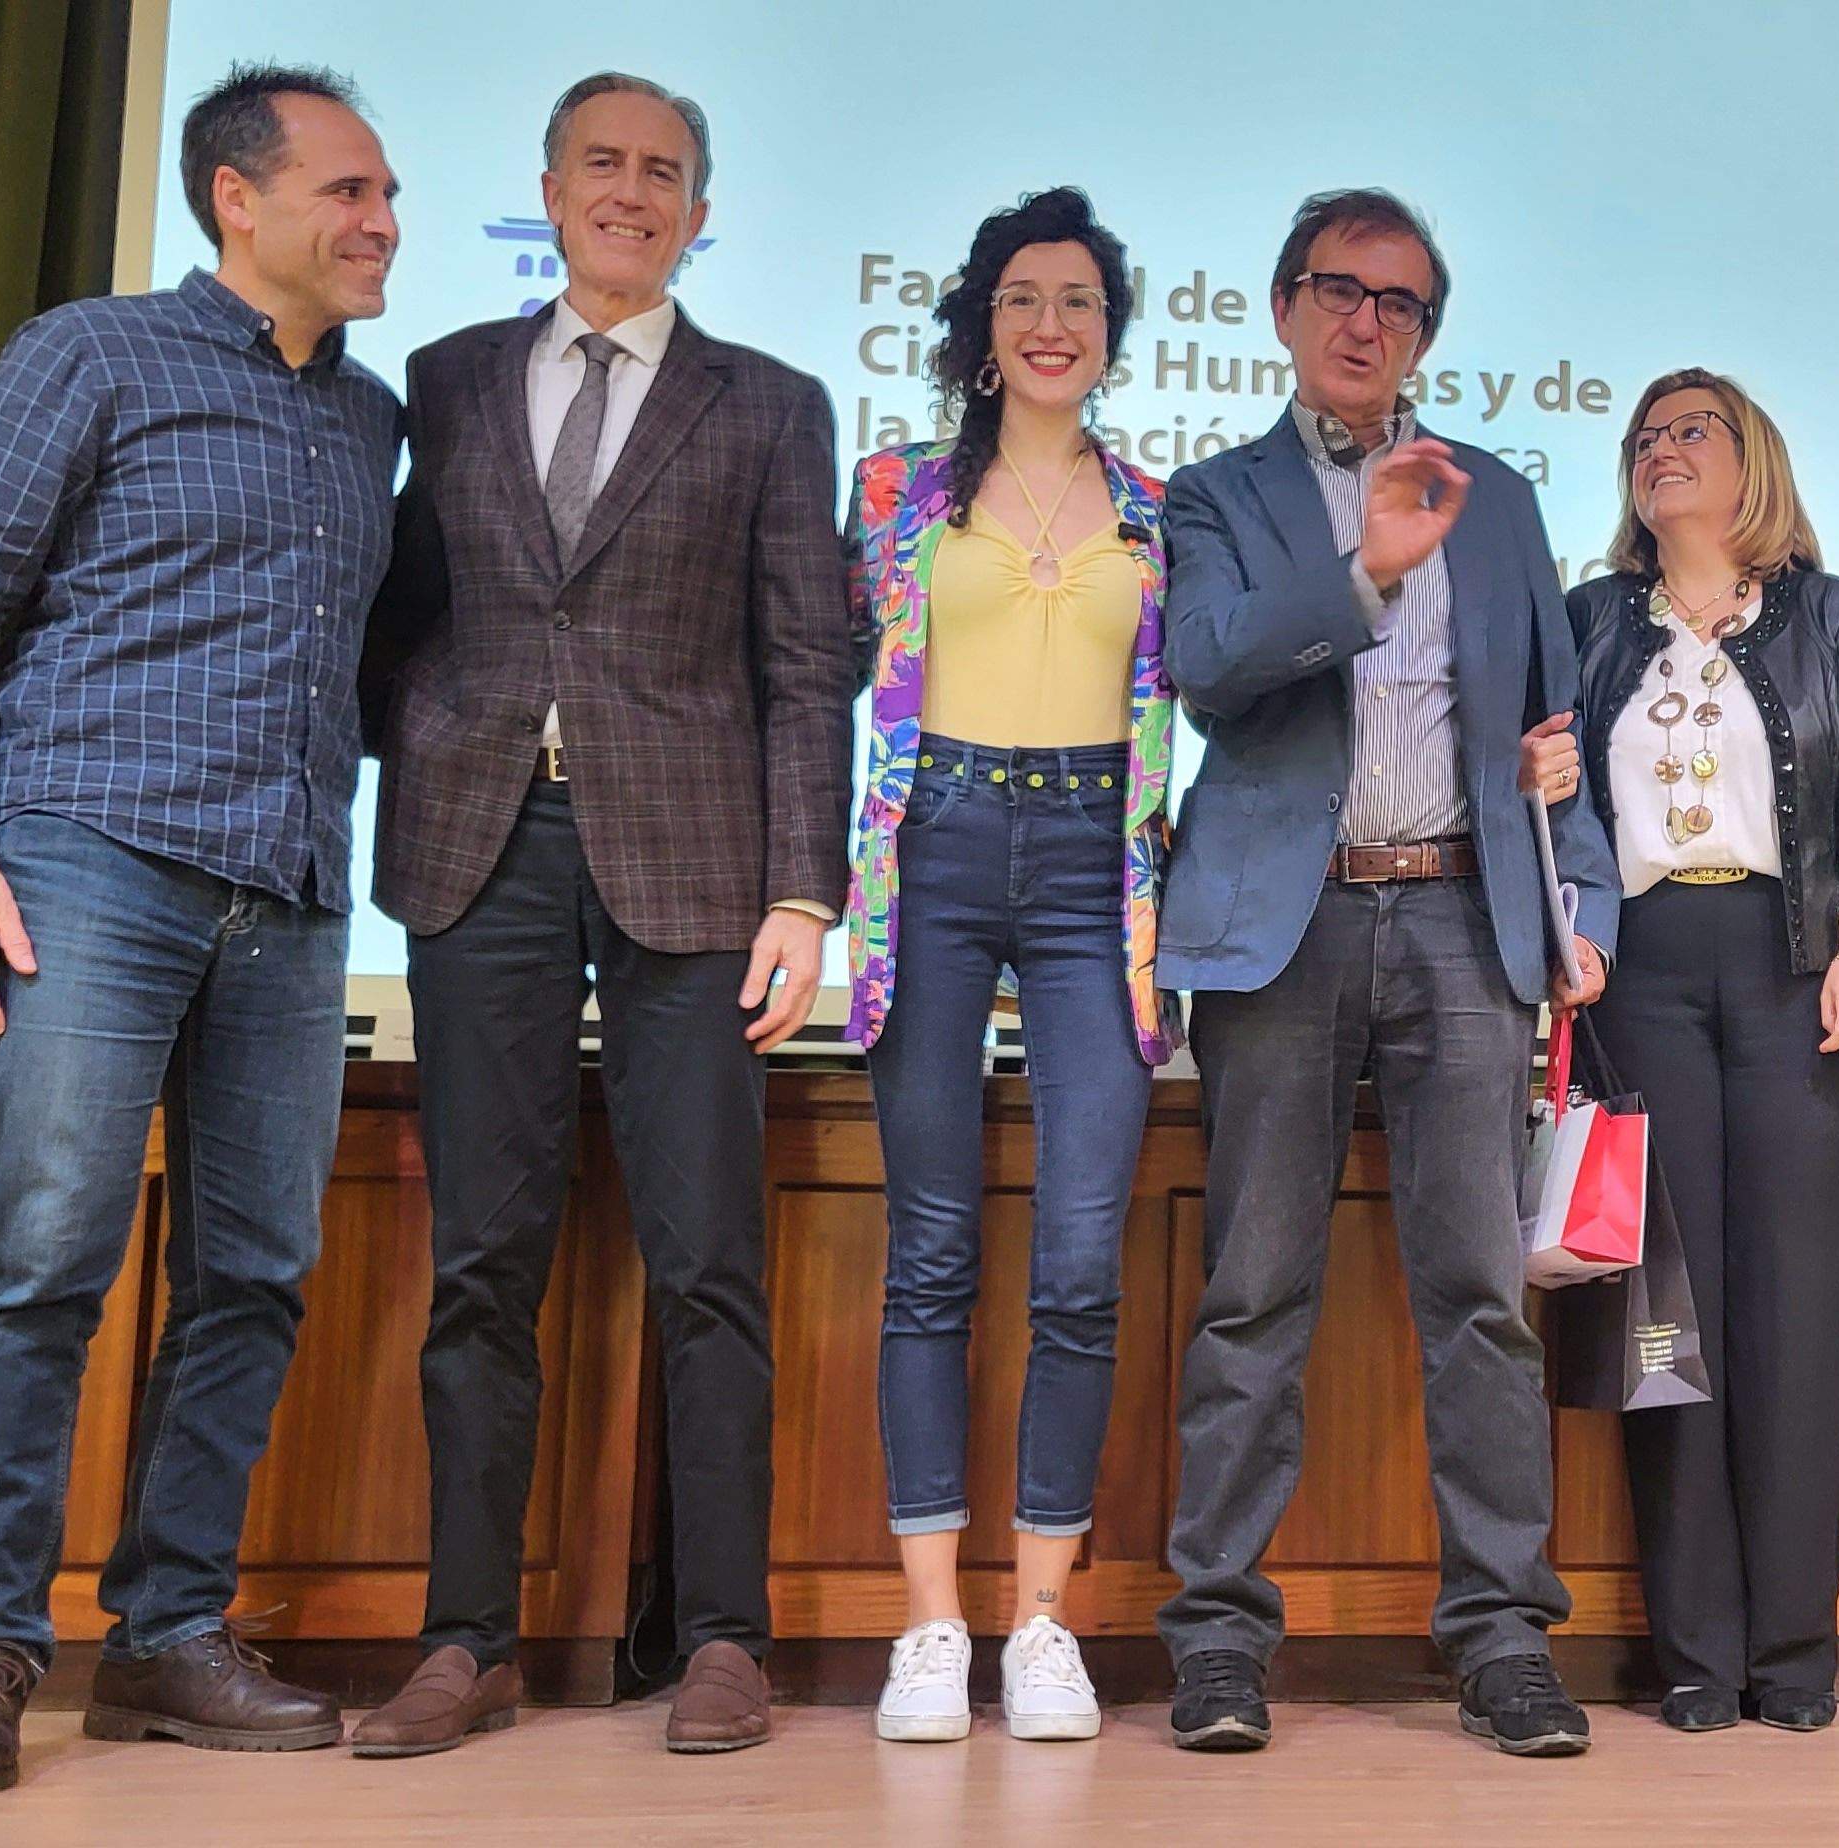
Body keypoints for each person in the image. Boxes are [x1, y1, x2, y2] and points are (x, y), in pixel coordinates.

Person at [0, 64, 403, 1796]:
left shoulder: (373, 420)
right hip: (89, 862)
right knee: (44, 1260)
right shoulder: (91, 356)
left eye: (390, 195)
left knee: (254, 1275)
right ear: (237, 197)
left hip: (291, 893)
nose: (383, 223)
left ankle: (166, 1639)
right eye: (351, 191)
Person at [347, 72, 849, 1760]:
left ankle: (722, 1639)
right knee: (481, 1266)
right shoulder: (446, 379)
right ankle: (464, 1642)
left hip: (698, 865)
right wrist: (429, 738)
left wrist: (804, 889)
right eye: (604, 164)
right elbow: (401, 616)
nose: (632, 192)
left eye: (665, 172)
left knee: (710, 1263)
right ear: (552, 190)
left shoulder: (771, 404)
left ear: (700, 214)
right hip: (479, 852)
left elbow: (807, 663)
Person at [1152, 187, 1617, 1759]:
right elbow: (1209, 670)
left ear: (1428, 333)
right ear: (1284, 307)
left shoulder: (1501, 498)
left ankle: (1502, 1639)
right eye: (1338, 291)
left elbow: (1555, 733)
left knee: (1480, 1299)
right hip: (1284, 932)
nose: (1366, 322)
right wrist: (1363, 568)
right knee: (1252, 1294)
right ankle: (1220, 1641)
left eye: (1399, 302)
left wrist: (1582, 905)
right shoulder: (1214, 495)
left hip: (1465, 924)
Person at [835, 186, 1168, 1746]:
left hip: (1101, 869)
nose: (1052, 324)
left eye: (1080, 302)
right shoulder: (896, 491)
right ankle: (927, 1625)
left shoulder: (1160, 511)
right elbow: (811, 675)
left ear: (1111, 334)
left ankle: (1041, 1620)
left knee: (1084, 1258)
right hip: (938, 854)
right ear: (981, 325)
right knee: (931, 1251)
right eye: (1024, 298)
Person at [1565, 370, 1839, 1734]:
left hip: (1798, 975)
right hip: (1641, 980)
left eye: (1690, 430)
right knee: (1671, 1323)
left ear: (1751, 455)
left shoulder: (1834, 618)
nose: (1662, 450)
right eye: (1645, 437)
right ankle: (1696, 1654)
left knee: (1795, 1319)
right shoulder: (1593, 622)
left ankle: (1795, 1656)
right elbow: (1554, 803)